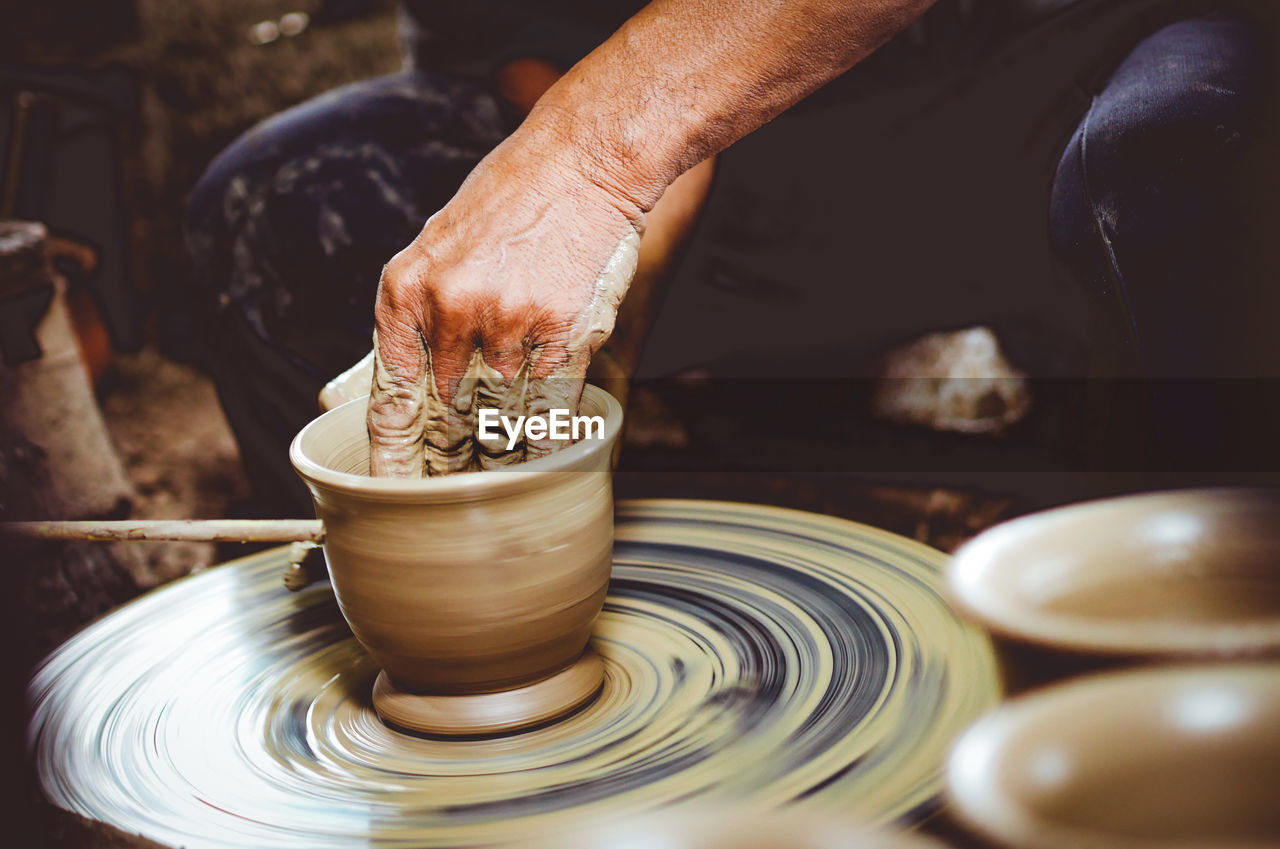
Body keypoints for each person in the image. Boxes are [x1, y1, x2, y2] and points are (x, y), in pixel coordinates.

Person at [187, 0, 1277, 514]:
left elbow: (603, 134)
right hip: (737, 167)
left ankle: (1162, 643)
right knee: (282, 204)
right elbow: (537, 55)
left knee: (1188, 155)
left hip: (1047, 95)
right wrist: (619, 267)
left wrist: (586, 168)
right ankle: (420, 625)